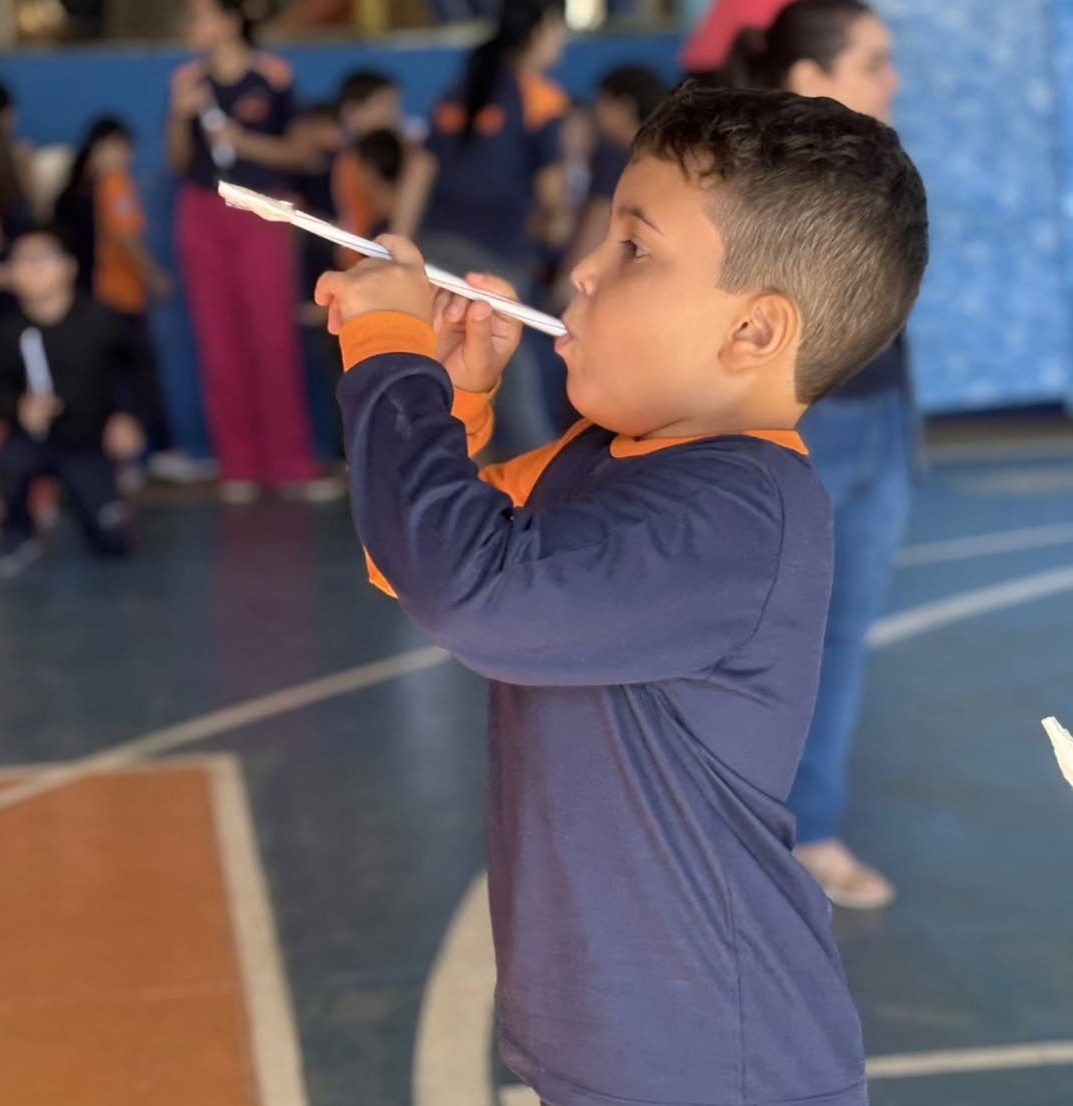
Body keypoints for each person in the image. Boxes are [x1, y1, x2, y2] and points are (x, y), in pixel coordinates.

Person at [315, 82, 928, 1106]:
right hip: (616, 1051)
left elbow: (470, 592)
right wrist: (457, 399)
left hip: (720, 1066)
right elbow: (413, 559)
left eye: (633, 248)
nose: (582, 272)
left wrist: (390, 351)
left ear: (752, 332)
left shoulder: (741, 509)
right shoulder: (604, 456)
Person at [716, 0, 910, 909]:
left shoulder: (884, 175)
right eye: (872, 62)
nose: (891, 80)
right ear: (809, 79)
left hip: (883, 424)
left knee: (844, 636)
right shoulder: (754, 194)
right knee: (755, 643)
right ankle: (726, 837)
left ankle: (815, 827)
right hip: (799, 435)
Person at [167, 0, 340, 503]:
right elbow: (179, 161)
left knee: (272, 339)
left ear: (229, 19)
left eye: (199, 15)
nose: (190, 26)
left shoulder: (273, 75)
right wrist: (179, 116)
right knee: (217, 342)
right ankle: (237, 466)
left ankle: (290, 465)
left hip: (261, 209)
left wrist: (242, 141)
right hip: (202, 211)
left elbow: (301, 153)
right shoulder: (187, 81)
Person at [393, 0, 572, 455]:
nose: (562, 42)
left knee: (449, 375)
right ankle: (544, 482)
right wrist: (556, 237)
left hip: (434, 254)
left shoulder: (458, 91)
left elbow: (420, 171)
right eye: (558, 30)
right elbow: (552, 197)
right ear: (539, 32)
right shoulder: (542, 99)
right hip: (496, 262)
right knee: (511, 382)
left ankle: (454, 480)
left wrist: (395, 247)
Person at [0, 225, 153, 577]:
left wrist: (130, 417)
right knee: (13, 463)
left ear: (68, 266)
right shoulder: (8, 331)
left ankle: (104, 504)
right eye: (22, 261)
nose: (33, 269)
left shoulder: (103, 320)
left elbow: (142, 371)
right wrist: (18, 407)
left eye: (42, 258)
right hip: (32, 442)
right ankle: (19, 532)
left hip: (89, 443)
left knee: (112, 544)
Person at [551, 64, 669, 309]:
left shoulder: (617, 158)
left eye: (602, 103)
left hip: (594, 291)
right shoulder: (660, 164)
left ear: (624, 107)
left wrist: (567, 286)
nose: (596, 113)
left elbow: (597, 219)